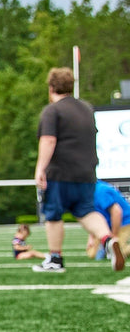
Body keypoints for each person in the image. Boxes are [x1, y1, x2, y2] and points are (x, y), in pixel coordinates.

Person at [33, 67, 125, 273]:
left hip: (60, 173)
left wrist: (40, 168)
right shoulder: (86, 108)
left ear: (50, 87)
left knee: (54, 214)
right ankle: (109, 239)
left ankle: (55, 259)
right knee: (87, 211)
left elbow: (48, 140)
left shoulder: (52, 111)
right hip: (87, 173)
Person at [84, 181, 130, 262]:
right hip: (107, 225)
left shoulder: (100, 191)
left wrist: (114, 236)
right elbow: (94, 216)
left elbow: (116, 212)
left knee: (119, 252)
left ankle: (108, 247)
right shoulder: (87, 192)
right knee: (91, 253)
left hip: (124, 221)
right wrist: (91, 237)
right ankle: (106, 248)